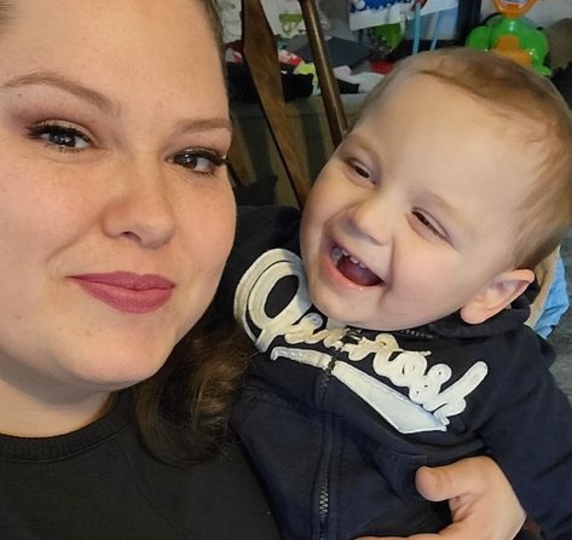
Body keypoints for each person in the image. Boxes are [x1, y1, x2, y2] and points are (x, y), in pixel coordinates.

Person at [0, 0, 528, 538]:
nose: (154, 218)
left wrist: (497, 493)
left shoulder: (256, 351)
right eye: (64, 135)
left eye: (194, 157)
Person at [217, 47, 572, 539]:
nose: (366, 217)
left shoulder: (503, 370)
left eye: (426, 220)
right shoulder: (259, 248)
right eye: (361, 169)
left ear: (491, 291)